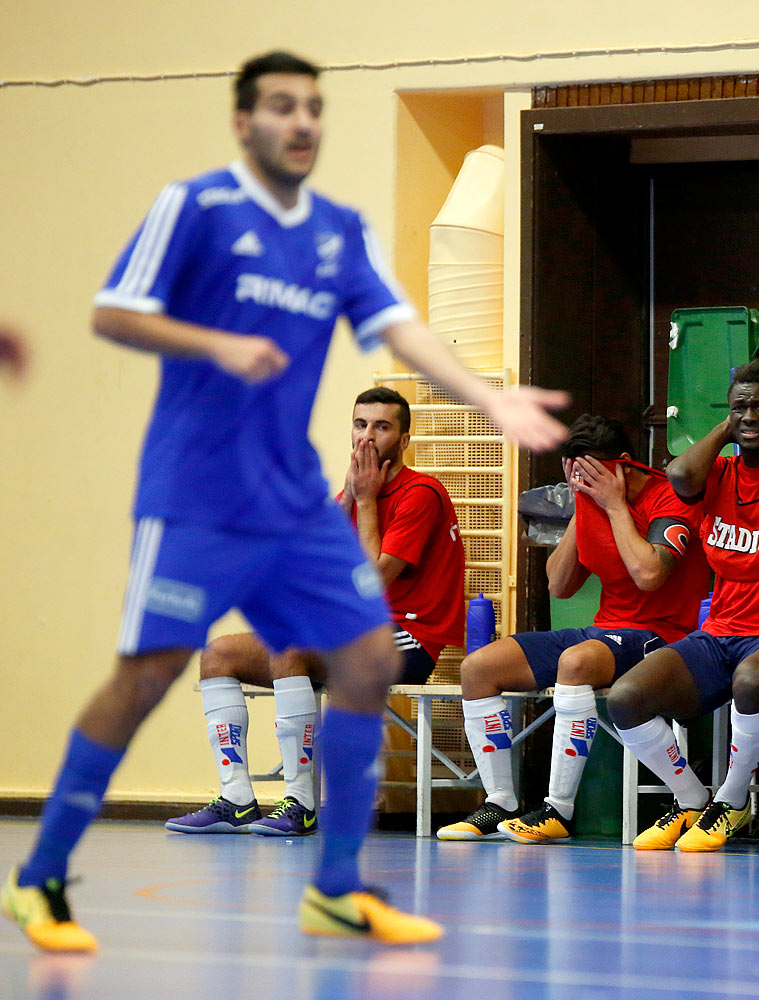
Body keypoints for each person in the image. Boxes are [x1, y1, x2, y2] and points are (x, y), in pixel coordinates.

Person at [2, 50, 567, 953]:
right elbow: (115, 312)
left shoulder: (338, 231)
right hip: (197, 496)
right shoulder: (195, 209)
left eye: (312, 107)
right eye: (279, 106)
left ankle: (335, 885)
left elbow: (398, 327)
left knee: (370, 654)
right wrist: (216, 347)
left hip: (295, 500)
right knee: (146, 676)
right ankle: (39, 878)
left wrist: (486, 395)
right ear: (243, 124)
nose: (301, 121)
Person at [163, 387, 465, 837]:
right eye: (360, 424)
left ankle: (301, 803)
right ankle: (236, 799)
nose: (368, 437)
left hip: (405, 639)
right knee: (218, 654)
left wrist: (364, 503)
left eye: (382, 427)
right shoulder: (353, 492)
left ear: (403, 440)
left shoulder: (421, 493)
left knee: (291, 650)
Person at [436, 415, 710, 844]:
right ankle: (500, 802)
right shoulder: (589, 498)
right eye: (576, 473)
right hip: (607, 629)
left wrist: (615, 505)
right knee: (478, 668)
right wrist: (584, 505)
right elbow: (559, 586)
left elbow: (649, 575)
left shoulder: (669, 498)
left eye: (593, 472)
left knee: (576, 662)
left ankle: (558, 811)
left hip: (664, 635)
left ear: (623, 464)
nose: (584, 481)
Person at [606, 359, 759, 852]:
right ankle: (691, 798)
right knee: (625, 698)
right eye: (740, 408)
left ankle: (733, 802)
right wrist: (725, 426)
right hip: (719, 631)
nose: (748, 416)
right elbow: (678, 476)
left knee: (751, 682)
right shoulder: (716, 473)